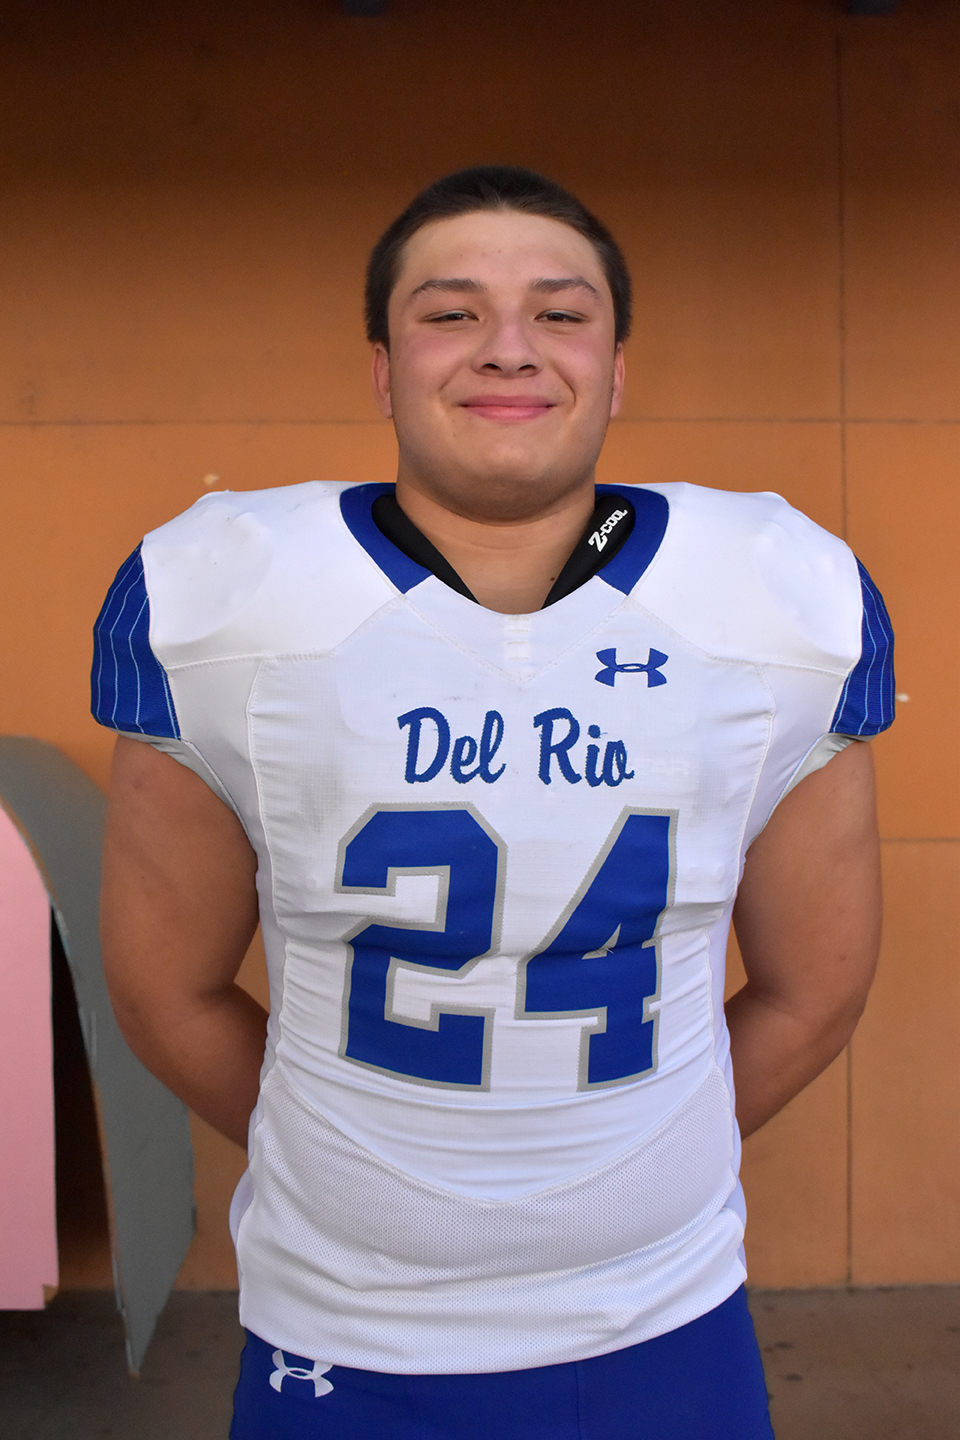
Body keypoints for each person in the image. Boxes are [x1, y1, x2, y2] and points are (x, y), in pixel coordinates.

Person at [93, 166, 894, 1440]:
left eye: (560, 314)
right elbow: (165, 992)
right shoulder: (224, 601)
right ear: (383, 368)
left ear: (617, 369)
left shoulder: (778, 602)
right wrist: (358, 1168)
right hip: (342, 1333)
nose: (508, 347)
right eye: (451, 312)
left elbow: (815, 990)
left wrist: (625, 1165)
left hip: (663, 1319)